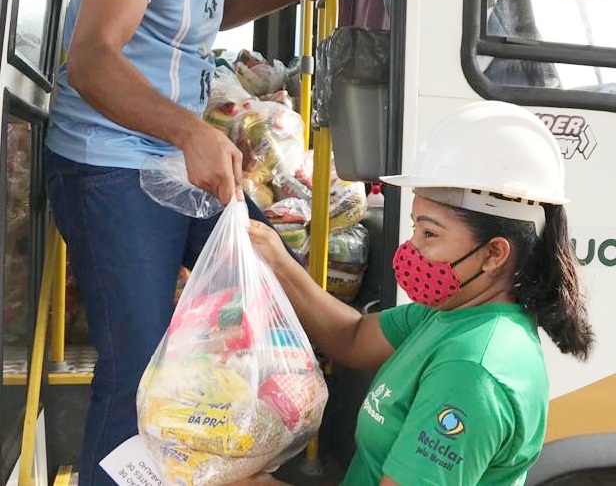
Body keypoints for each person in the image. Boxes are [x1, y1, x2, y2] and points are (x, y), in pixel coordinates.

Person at [44, 0, 344, 486]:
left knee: (278, 280)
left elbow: (210, 12)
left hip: (168, 163)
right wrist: (191, 133)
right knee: (140, 366)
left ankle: (218, 459)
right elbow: (92, 58)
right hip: (107, 163)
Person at [246, 100, 594, 486]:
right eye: (415, 228)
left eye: (429, 234)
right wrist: (277, 260)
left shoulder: (472, 371)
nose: (411, 249)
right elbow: (353, 337)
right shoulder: (449, 312)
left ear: (494, 253)